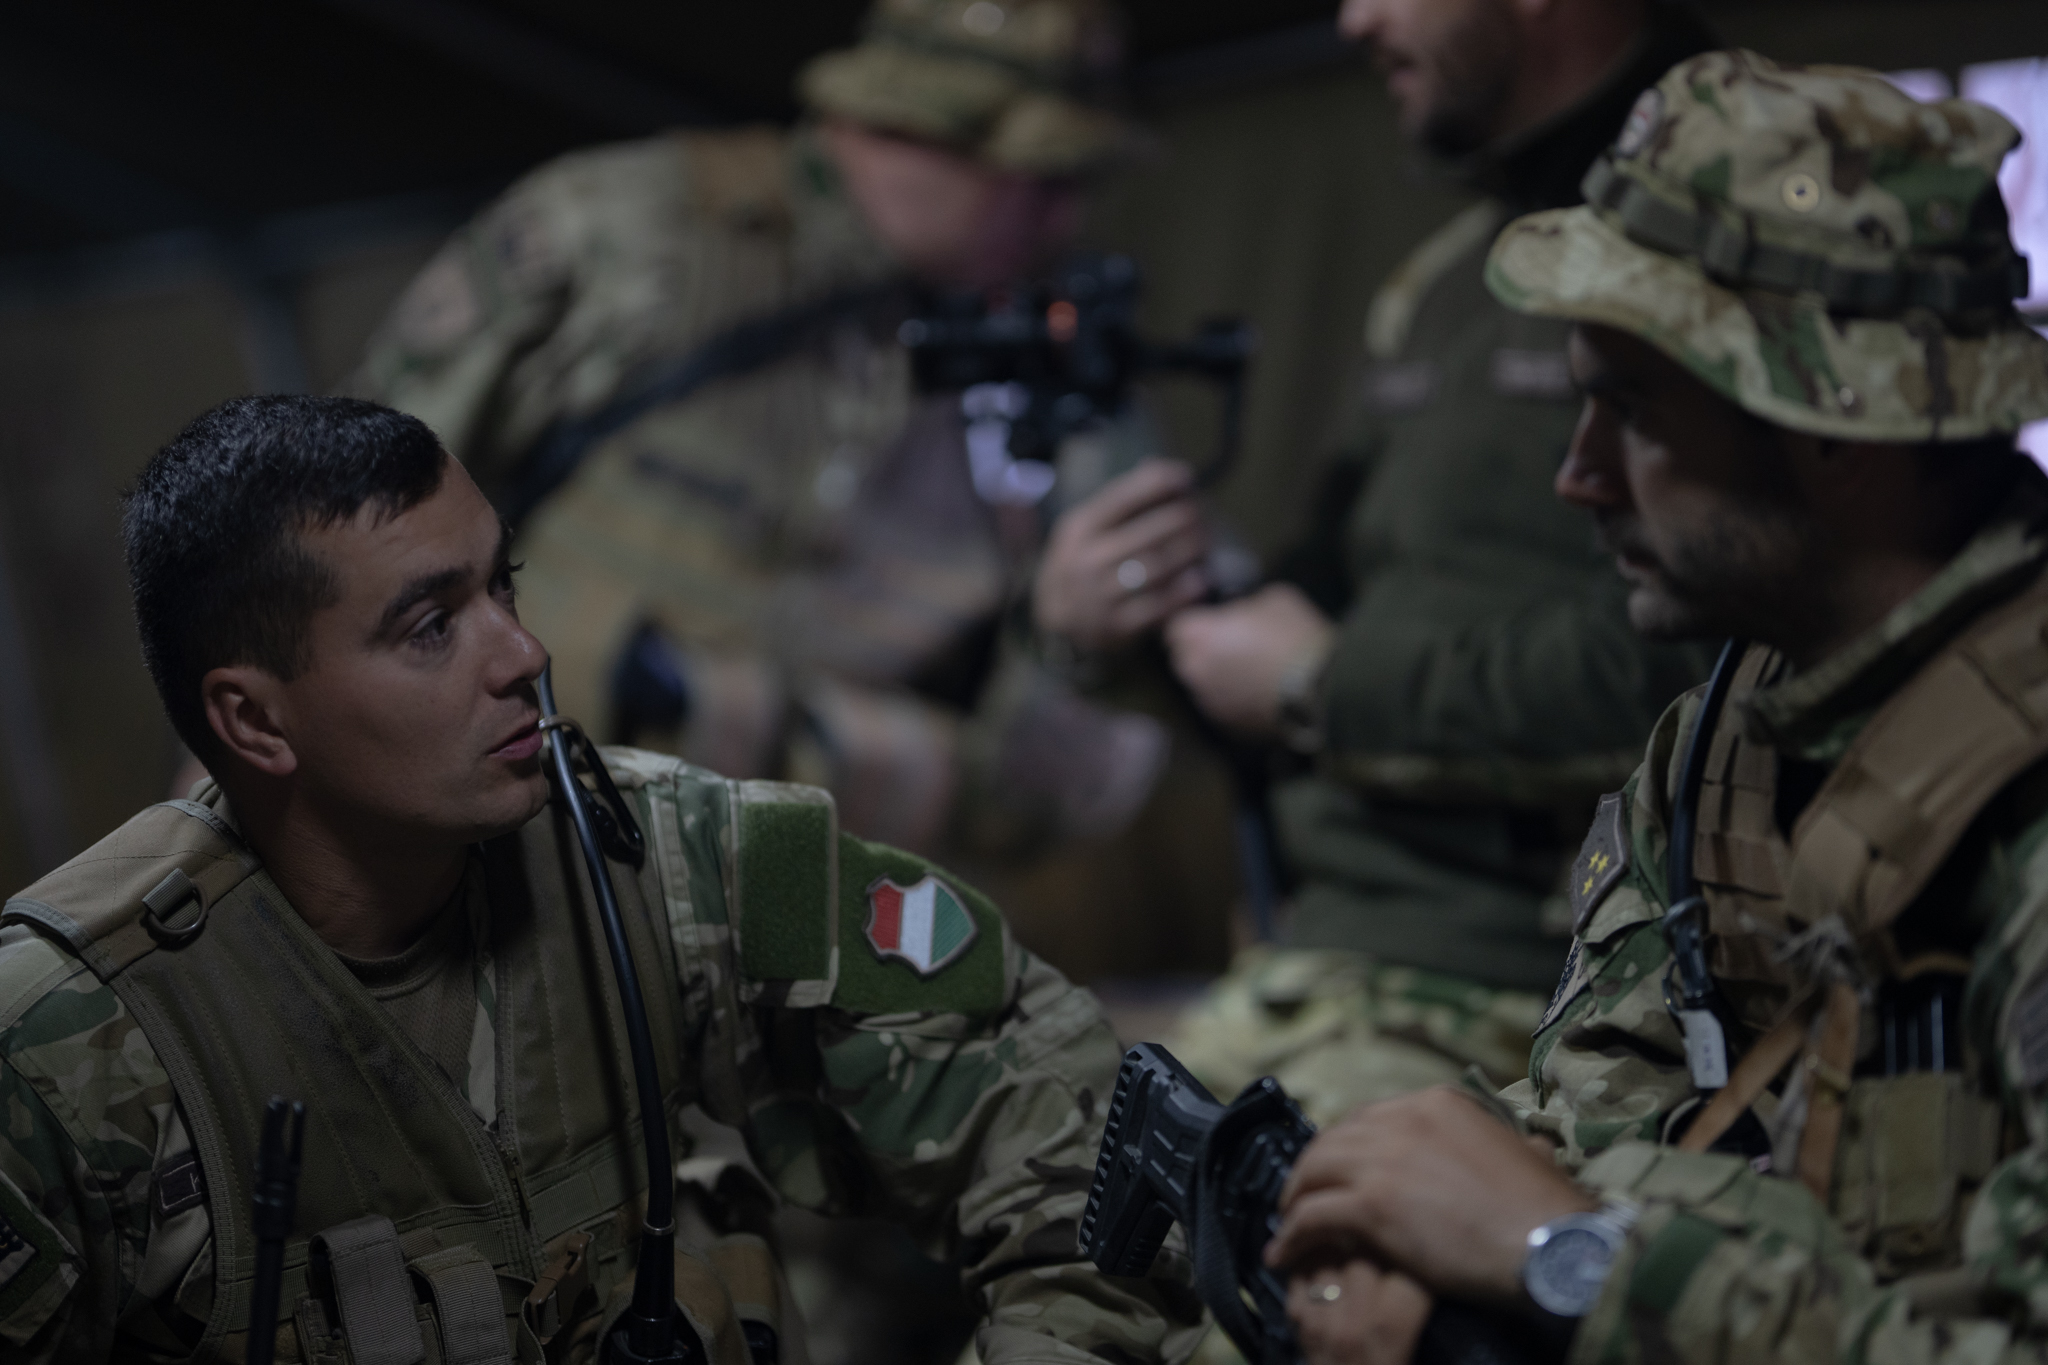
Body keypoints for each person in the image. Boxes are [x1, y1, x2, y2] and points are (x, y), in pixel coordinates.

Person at [0, 396, 1203, 1365]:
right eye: (430, 627)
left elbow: (1045, 1089)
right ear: (256, 723)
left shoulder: (660, 855)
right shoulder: (65, 1048)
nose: (524, 654)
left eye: (502, 586)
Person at [1260, 51, 2048, 1365]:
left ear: (1831, 425)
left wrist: (1567, 1264)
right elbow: (1599, 1114)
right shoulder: (1736, 725)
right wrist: (1423, 1245)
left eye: (1631, 413)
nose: (1577, 477)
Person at [1035, 0, 1717, 1123]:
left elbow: (1710, 676)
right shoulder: (1449, 279)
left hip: (1518, 992)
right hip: (1317, 969)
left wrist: (1322, 684)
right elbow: (1305, 615)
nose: (1353, 19)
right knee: (979, 1165)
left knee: (1162, 1221)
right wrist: (1115, 621)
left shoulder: (1717, 248)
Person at [349, 0, 1169, 866]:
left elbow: (1066, 784)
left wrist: (1071, 650)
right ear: (910, 127)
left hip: (807, 888)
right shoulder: (629, 231)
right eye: (1044, 179)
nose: (1063, 221)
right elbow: (338, 534)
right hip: (512, 848)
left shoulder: (1054, 366)